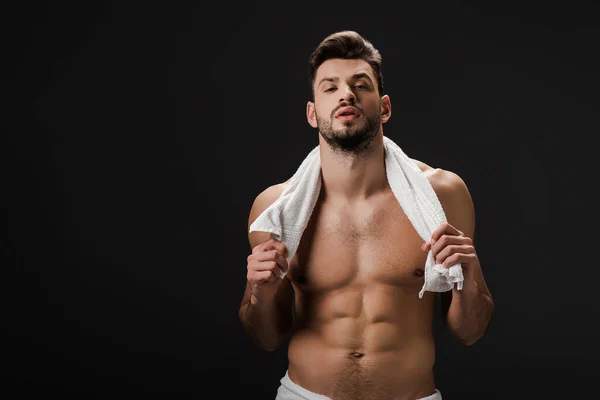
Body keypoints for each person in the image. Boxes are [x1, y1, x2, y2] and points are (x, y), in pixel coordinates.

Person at [239, 30, 494, 400]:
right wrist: (259, 292)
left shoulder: (443, 196)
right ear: (312, 113)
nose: (347, 94)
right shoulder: (274, 211)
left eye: (361, 85)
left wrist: (469, 274)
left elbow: (470, 331)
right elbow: (266, 338)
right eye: (330, 88)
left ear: (385, 107)